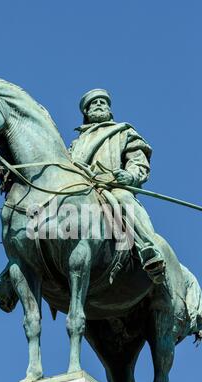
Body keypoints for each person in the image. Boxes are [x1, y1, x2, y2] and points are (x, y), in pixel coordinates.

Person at [69, 88, 165, 283]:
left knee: (123, 199)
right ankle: (12, 277)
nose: (98, 104)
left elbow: (138, 160)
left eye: (103, 102)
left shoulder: (123, 132)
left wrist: (130, 176)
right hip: (80, 189)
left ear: (109, 110)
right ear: (86, 112)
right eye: (93, 103)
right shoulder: (75, 144)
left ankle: (148, 248)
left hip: (112, 185)